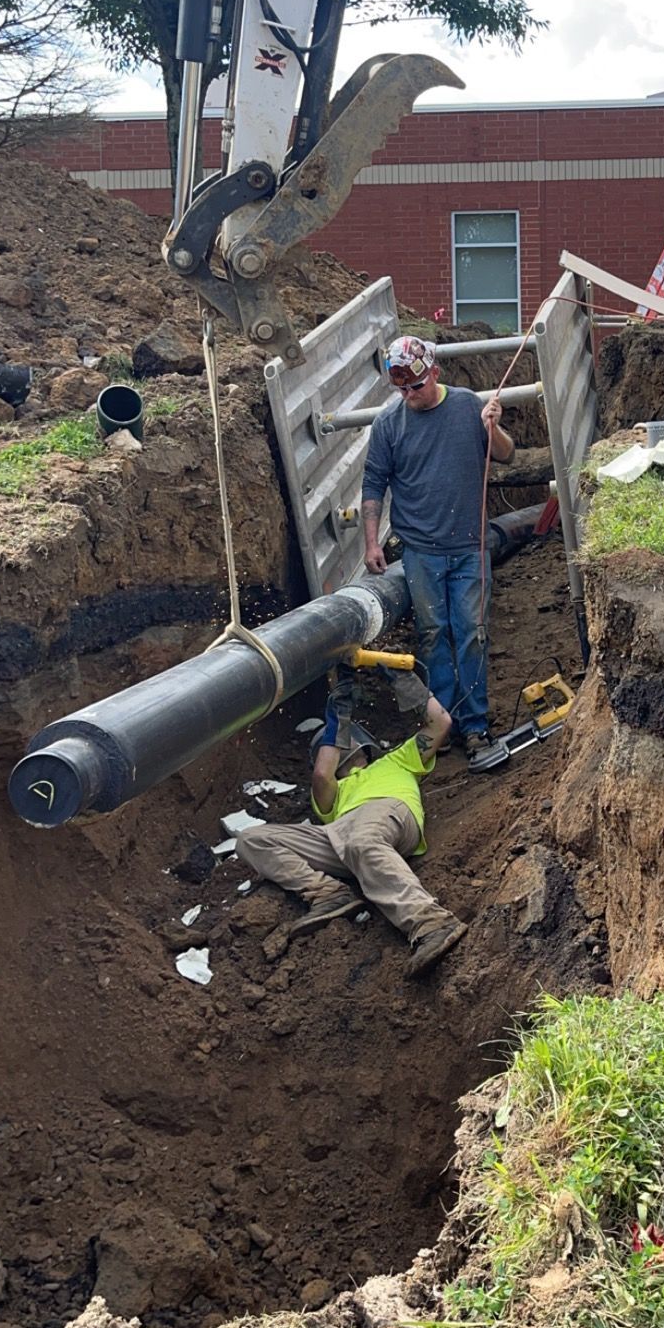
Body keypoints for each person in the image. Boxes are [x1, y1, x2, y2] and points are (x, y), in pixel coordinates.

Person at [234, 687, 467, 976]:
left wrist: (410, 683)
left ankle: (432, 922)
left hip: (386, 814)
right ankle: (328, 893)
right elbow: (321, 775)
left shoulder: (395, 760)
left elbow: (440, 722)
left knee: (361, 840)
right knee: (252, 840)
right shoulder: (330, 791)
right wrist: (337, 717)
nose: (338, 749)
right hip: (341, 835)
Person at [361, 333, 514, 762]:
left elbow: (506, 454)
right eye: (401, 389)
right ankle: (442, 721)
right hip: (420, 550)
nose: (409, 395)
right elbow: (373, 483)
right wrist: (372, 541)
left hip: (470, 545)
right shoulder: (388, 425)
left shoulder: (468, 406)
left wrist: (493, 427)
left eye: (416, 385)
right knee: (433, 635)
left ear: (435, 373)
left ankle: (476, 727)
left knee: (472, 633)